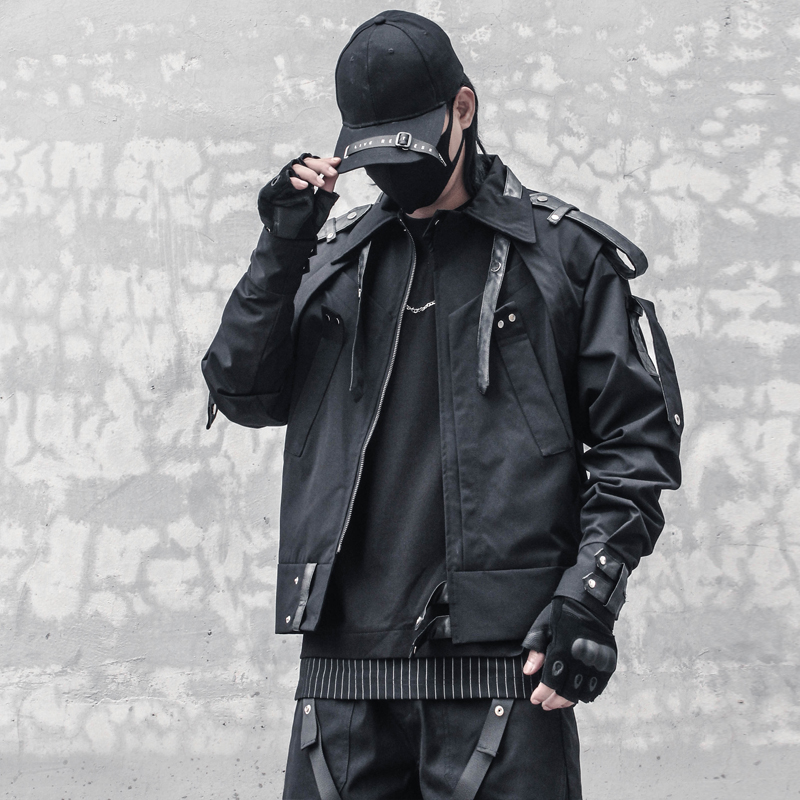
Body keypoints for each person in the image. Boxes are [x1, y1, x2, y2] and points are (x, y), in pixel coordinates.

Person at [202, 10, 683, 800]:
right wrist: (281, 248)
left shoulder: (564, 259)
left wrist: (589, 596)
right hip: (343, 680)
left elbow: (637, 447)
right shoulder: (332, 261)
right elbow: (242, 391)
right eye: (375, 158)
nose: (393, 175)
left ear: (463, 110)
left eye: (409, 150)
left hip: (501, 670)